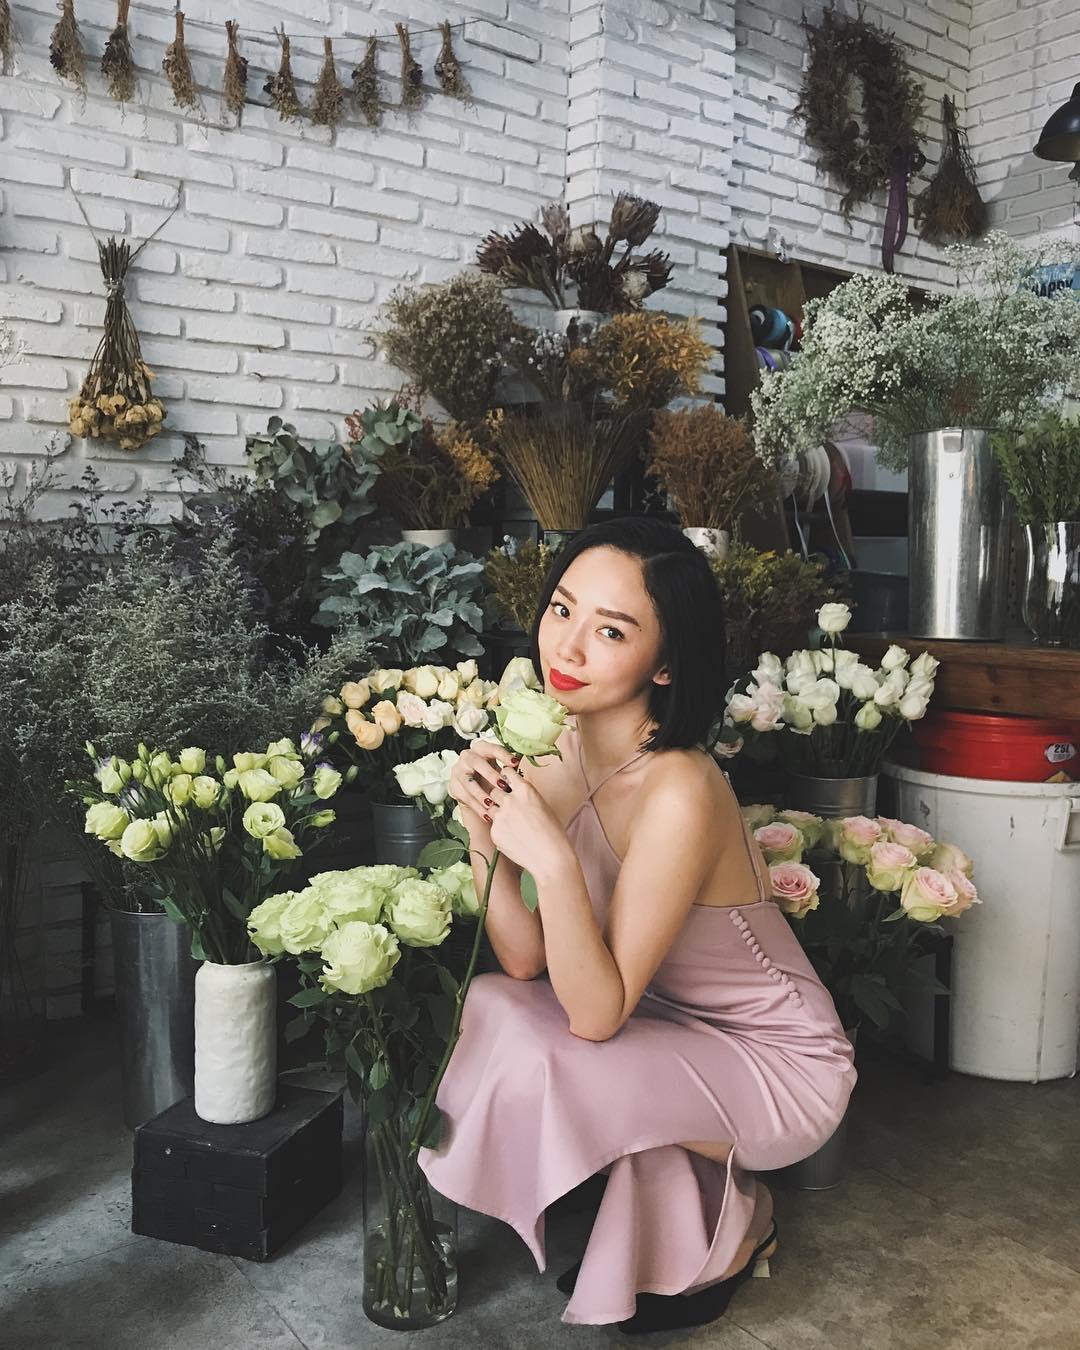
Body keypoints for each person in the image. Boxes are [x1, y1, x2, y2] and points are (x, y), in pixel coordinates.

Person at [418, 518, 857, 1333]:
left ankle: (745, 1219)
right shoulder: (558, 751)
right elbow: (524, 962)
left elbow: (594, 1015)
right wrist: (482, 830)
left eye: (611, 631)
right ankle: (675, 1224)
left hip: (773, 1060)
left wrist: (552, 863)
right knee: (493, 1003)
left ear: (665, 663)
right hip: (657, 1017)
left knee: (562, 1049)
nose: (568, 647)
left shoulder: (680, 786)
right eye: (562, 609)